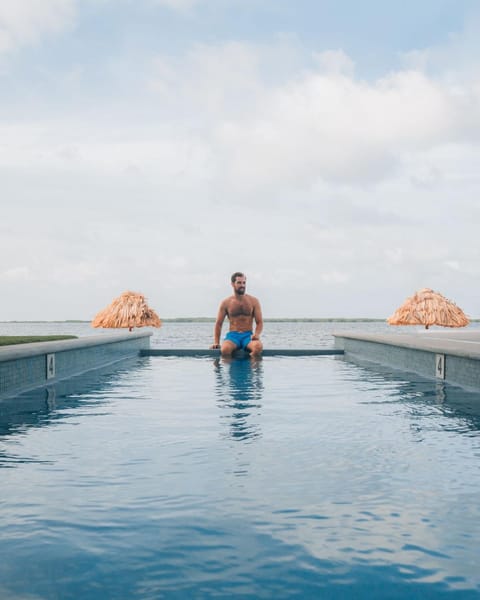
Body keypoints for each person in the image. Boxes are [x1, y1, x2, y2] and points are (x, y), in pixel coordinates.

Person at [211, 272, 263, 357]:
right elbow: (218, 324)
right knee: (225, 349)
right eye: (239, 283)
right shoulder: (226, 302)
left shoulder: (254, 301)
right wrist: (216, 342)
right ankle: (232, 369)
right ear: (232, 284)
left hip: (248, 336)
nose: (242, 285)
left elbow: (259, 322)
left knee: (258, 347)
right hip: (233, 336)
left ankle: (249, 369)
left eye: (244, 283)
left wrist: (256, 334)